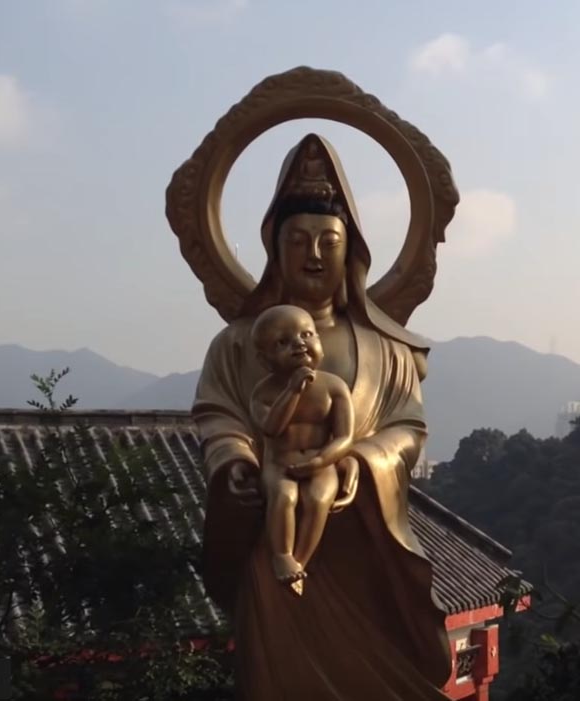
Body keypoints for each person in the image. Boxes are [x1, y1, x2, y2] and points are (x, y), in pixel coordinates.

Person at [193, 134, 452, 699]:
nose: (313, 255)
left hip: (363, 541)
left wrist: (362, 457)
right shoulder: (237, 345)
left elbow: (408, 428)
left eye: (328, 241)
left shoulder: (386, 349)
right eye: (298, 240)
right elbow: (219, 414)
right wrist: (234, 458)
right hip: (275, 534)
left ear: (351, 249)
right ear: (275, 250)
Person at [248, 304, 358, 593]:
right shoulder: (264, 392)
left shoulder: (334, 387)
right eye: (283, 342)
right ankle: (282, 556)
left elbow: (344, 436)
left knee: (318, 499)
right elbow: (271, 428)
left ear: (319, 340)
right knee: (284, 496)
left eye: (306, 334)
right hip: (279, 465)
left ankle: (299, 563)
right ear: (265, 358)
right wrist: (293, 390)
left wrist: (322, 460)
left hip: (321, 464)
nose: (299, 344)